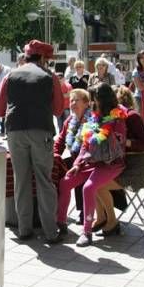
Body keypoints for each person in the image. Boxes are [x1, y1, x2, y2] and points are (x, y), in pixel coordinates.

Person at [0, 40, 64, 244]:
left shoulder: (10, 75)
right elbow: (59, 109)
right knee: (44, 180)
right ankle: (50, 232)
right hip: (40, 130)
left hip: (15, 131)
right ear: (43, 58)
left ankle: (24, 228)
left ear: (26, 56)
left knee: (21, 179)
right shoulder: (49, 77)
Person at [58, 83, 127, 246]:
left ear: (102, 99)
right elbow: (85, 143)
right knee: (65, 182)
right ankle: (60, 223)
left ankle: (86, 232)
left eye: (94, 98)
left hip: (111, 163)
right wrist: (77, 164)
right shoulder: (93, 117)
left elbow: (120, 144)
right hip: (92, 161)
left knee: (88, 187)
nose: (92, 102)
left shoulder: (117, 117)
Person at [92, 86, 144, 236]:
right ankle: (102, 218)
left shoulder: (132, 116)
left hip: (135, 167)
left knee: (97, 186)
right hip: (119, 164)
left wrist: (125, 142)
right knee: (92, 182)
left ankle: (111, 221)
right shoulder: (110, 118)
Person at [54, 88, 91, 225]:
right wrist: (55, 154)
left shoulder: (91, 120)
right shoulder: (70, 119)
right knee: (56, 170)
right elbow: (60, 140)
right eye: (71, 100)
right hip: (75, 157)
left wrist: (78, 163)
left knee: (73, 175)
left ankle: (83, 211)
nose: (73, 103)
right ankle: (57, 212)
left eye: (77, 100)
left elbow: (88, 146)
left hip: (89, 160)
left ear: (87, 104)